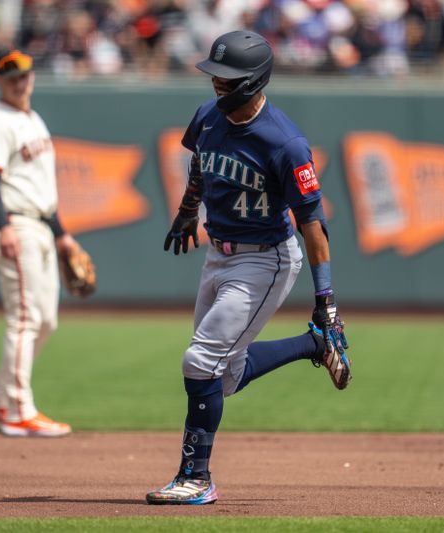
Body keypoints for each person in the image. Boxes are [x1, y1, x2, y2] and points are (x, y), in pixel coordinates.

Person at [146, 30, 351, 505]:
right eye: (215, 74)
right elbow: (200, 163)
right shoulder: (208, 117)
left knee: (200, 361)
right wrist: (186, 211)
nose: (218, 84)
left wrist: (327, 303)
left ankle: (196, 477)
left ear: (255, 80)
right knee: (225, 375)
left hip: (267, 259)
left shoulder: (285, 142)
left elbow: (314, 228)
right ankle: (313, 346)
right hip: (218, 252)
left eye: (229, 77)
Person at [0, 49, 78, 438]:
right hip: (14, 224)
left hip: (40, 224)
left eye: (25, 76)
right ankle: (18, 410)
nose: (21, 82)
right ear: (0, 81)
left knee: (45, 320)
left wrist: (62, 233)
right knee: (25, 319)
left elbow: (41, 190)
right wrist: (4, 227)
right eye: (13, 77)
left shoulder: (33, 119)